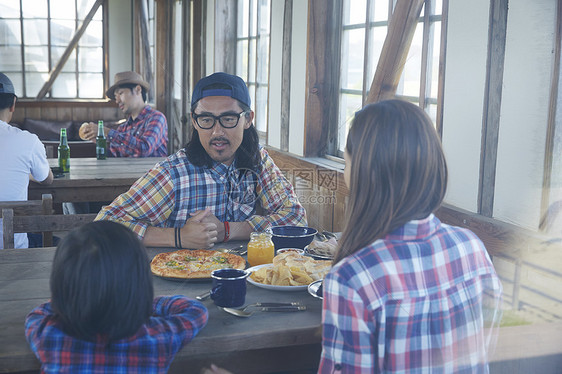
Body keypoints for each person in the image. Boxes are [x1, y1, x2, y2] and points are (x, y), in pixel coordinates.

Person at [318, 100, 503, 373]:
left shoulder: (352, 278)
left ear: (361, 173)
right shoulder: (472, 246)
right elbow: (487, 348)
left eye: (345, 163)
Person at [96, 72, 306, 249]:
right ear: (195, 121)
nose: (217, 131)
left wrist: (226, 230)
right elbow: (104, 226)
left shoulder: (257, 159)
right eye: (206, 119)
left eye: (228, 119)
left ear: (248, 119)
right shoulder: (174, 173)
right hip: (179, 282)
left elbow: (296, 219)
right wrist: (178, 237)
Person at [25, 220, 208, 372]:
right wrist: (131, 299)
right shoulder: (157, 337)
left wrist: (77, 296)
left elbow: (38, 312)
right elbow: (195, 310)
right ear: (141, 283)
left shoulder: (49, 335)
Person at [0, 72, 53, 249]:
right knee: (62, 243)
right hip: (14, 249)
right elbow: (47, 179)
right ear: (13, 104)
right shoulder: (28, 141)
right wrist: (27, 174)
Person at [80, 71, 167, 157]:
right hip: (128, 171)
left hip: (153, 171)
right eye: (115, 97)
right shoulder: (123, 128)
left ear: (138, 90)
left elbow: (143, 149)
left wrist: (106, 132)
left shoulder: (157, 118)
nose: (117, 101)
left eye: (120, 93)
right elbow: (115, 155)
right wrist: (100, 141)